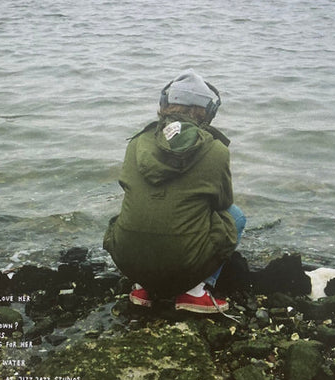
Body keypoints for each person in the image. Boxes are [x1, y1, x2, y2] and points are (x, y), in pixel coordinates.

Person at [103, 69, 245, 313]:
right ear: (208, 111)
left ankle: (142, 286)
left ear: (164, 104)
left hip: (127, 259)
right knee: (236, 216)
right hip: (184, 262)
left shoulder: (136, 143)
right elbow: (222, 203)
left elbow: (128, 187)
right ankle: (194, 292)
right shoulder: (217, 150)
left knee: (144, 209)